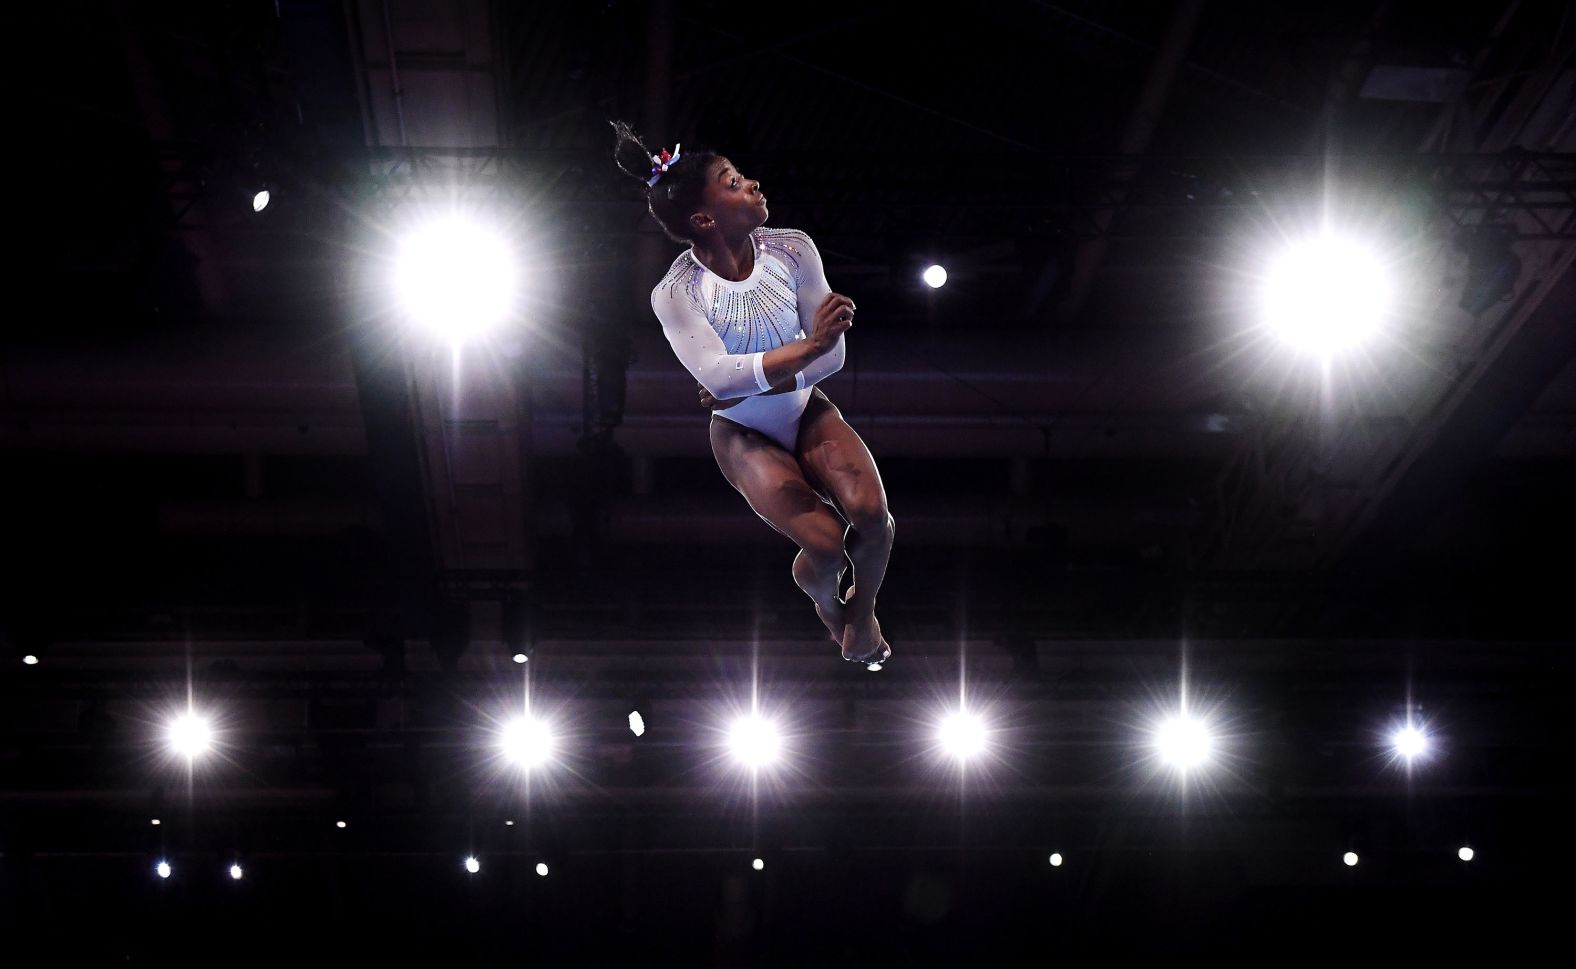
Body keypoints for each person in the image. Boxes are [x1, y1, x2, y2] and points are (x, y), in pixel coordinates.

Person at [611, 120, 894, 665]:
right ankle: (828, 608)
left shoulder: (792, 248)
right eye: (733, 182)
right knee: (827, 547)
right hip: (744, 436)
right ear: (704, 218)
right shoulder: (675, 293)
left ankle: (860, 617)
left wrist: (782, 366)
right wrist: (804, 350)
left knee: (874, 520)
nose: (753, 184)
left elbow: (833, 356)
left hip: (805, 410)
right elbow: (719, 379)